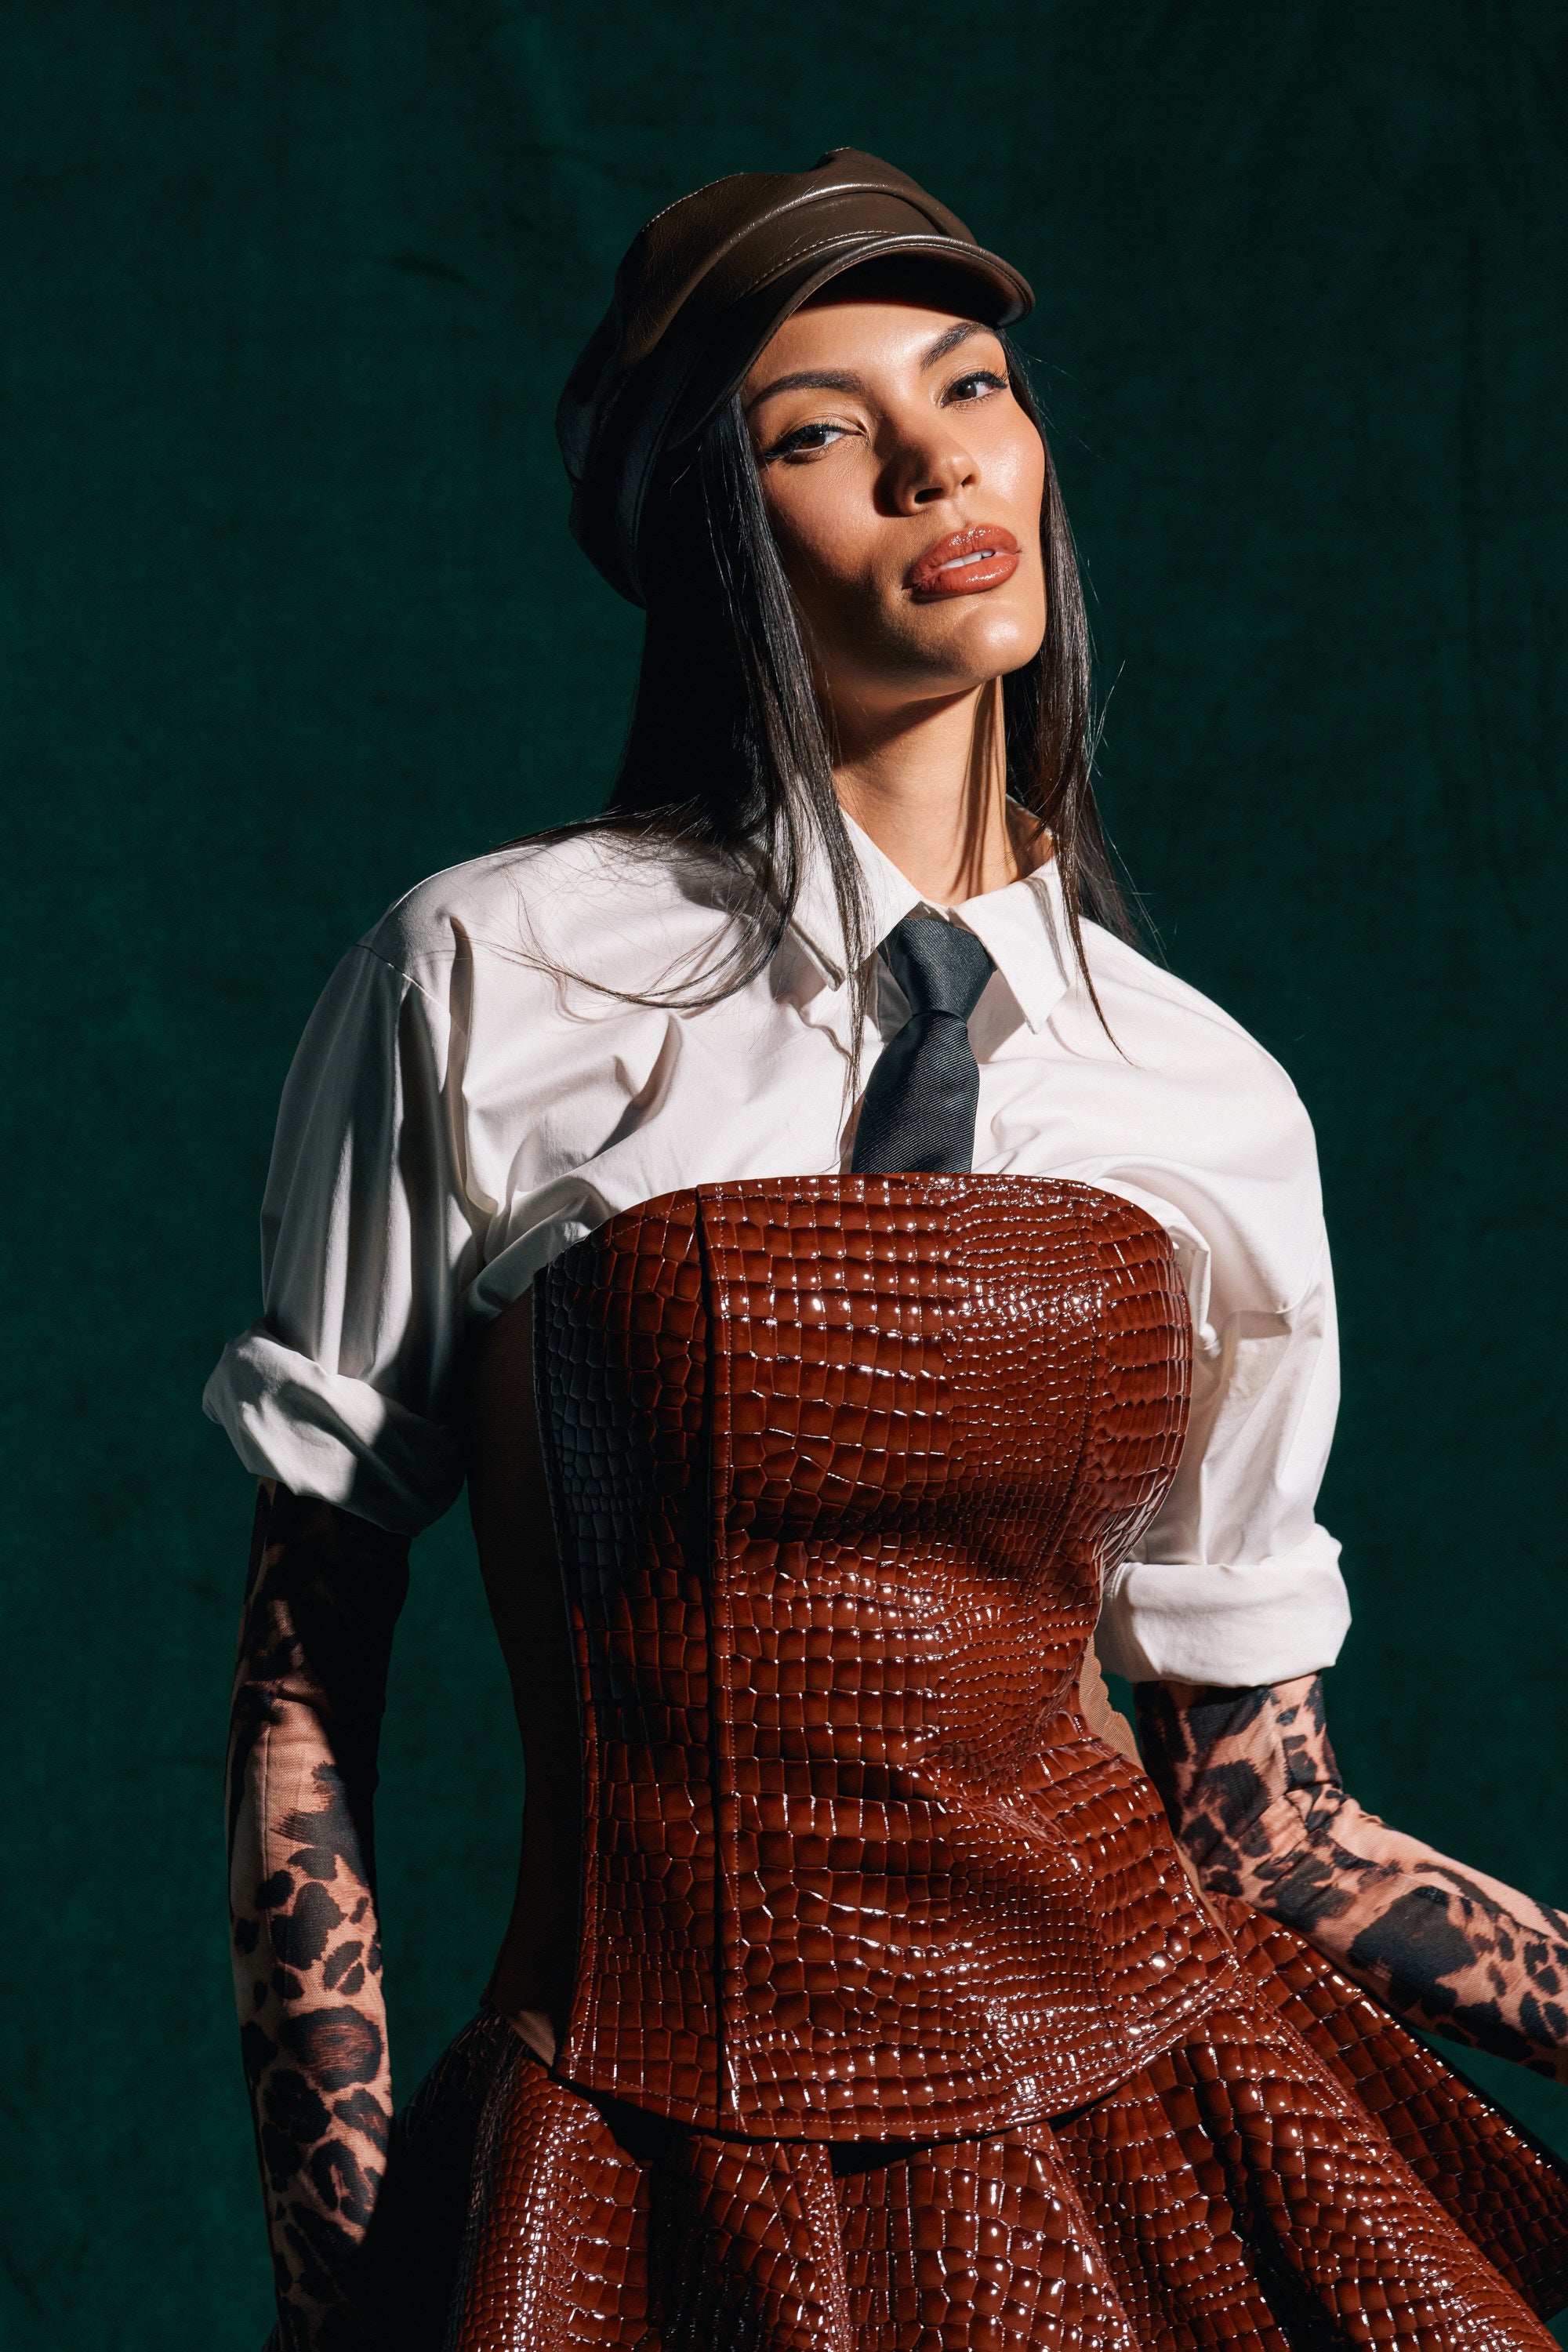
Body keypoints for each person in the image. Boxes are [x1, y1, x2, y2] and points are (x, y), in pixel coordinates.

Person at [209, 151, 1568, 2352]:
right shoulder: (490, 971)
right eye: (823, 430)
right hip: (632, 2153)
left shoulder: (1207, 1093)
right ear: (704, 530)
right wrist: (336, 2247)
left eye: (978, 387)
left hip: (1139, 2117)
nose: (944, 457)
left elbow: (1273, 1825)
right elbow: (299, 1693)